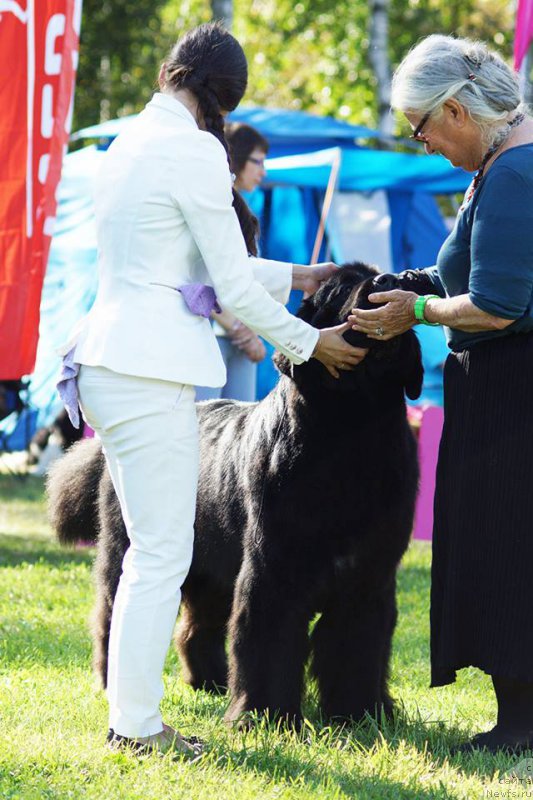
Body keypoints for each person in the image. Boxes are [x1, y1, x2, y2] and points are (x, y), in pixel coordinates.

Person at [65, 23, 366, 755]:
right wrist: (310, 341)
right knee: (163, 553)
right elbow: (226, 279)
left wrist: (300, 278)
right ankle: (137, 727)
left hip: (107, 358)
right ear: (222, 96)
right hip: (150, 370)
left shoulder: (126, 144)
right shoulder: (197, 151)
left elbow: (191, 262)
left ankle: (130, 716)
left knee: (151, 551)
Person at [350, 34, 533, 754]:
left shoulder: (514, 171)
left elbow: (495, 304)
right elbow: (471, 272)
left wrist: (415, 312)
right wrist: (413, 281)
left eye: (420, 129)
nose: (422, 146)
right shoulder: (500, 162)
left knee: (505, 543)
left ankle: (520, 724)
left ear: (455, 110)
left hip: (512, 391)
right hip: (500, 386)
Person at [196, 123, 270, 402]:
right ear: (238, 158)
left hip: (240, 334)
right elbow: (201, 279)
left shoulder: (245, 208)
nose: (263, 171)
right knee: (205, 430)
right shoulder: (214, 204)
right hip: (210, 334)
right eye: (257, 161)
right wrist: (240, 329)